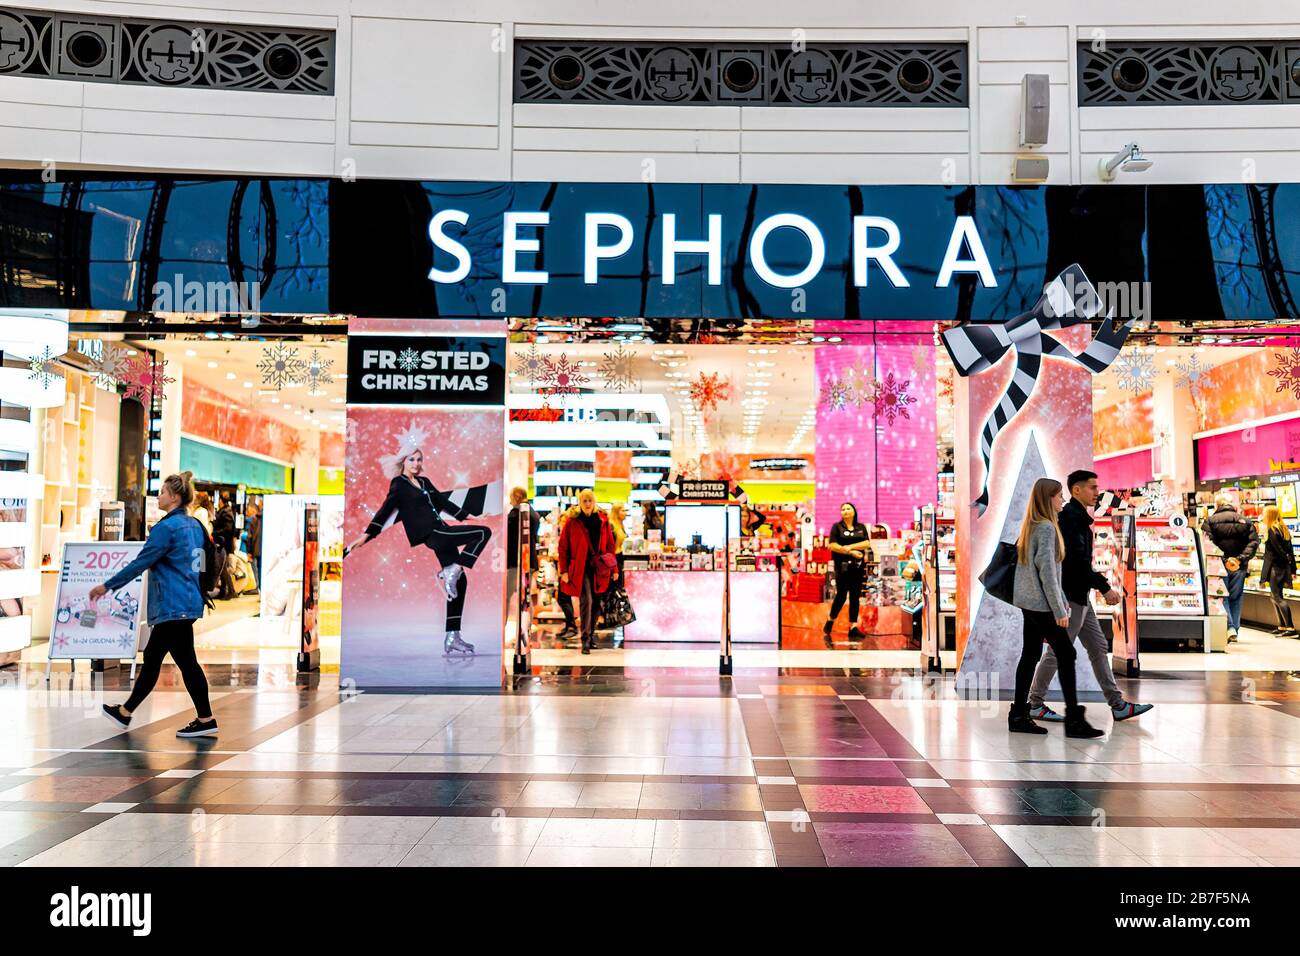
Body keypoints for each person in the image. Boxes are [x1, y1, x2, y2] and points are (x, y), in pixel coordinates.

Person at [344, 426, 496, 656]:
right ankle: (452, 571)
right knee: (482, 533)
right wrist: (367, 535)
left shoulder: (424, 482)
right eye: (412, 459)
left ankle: (452, 636)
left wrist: (470, 516)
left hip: (441, 530)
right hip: (431, 535)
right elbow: (385, 511)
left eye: (419, 459)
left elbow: (444, 503)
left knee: (460, 583)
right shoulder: (399, 484)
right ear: (404, 461)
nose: (416, 463)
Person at [95, 471, 218, 739]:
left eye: (162, 492)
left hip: (172, 605)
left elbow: (142, 562)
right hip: (189, 601)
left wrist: (107, 585)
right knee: (160, 658)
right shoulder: (196, 526)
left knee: (179, 662)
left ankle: (205, 718)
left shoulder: (166, 529)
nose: (158, 496)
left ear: (174, 497)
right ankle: (126, 712)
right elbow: (203, 564)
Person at [1028, 470, 1153, 723]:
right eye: (1092, 488)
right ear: (1077, 490)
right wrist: (1104, 586)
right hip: (1072, 597)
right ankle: (1034, 703)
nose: (1098, 493)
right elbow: (1075, 564)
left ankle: (1117, 704)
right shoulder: (1071, 520)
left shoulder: (1077, 518)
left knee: (1097, 646)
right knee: (1058, 651)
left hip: (1079, 597)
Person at [1009, 477, 1103, 738]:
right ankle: (1073, 721)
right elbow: (1049, 575)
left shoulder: (1031, 526)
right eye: (1059, 495)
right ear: (1047, 498)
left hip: (1029, 603)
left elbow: (1045, 573)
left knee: (1030, 655)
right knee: (1066, 653)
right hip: (1041, 606)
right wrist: (1060, 609)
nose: (1062, 500)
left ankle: (1018, 713)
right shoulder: (1047, 529)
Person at [557, 490, 617, 654]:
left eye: (590, 500)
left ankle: (590, 636)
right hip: (580, 568)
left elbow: (611, 546)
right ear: (580, 502)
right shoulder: (572, 521)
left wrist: (614, 569)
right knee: (587, 600)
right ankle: (585, 639)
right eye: (584, 500)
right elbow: (563, 547)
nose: (587, 503)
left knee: (597, 603)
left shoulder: (602, 520)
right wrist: (563, 570)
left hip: (599, 568)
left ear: (594, 501)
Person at [1203, 496, 1259, 643]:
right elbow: (1253, 543)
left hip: (1217, 566)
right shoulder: (1246, 522)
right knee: (1236, 596)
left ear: (1217, 505)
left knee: (1221, 595)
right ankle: (1235, 629)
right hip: (1239, 566)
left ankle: (1229, 627)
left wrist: (1223, 560)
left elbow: (1207, 543)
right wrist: (1240, 559)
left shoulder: (1210, 521)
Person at [825, 502, 870, 647]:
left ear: (854, 511)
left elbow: (867, 543)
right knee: (842, 595)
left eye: (848, 508)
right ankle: (831, 620)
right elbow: (832, 545)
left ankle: (853, 627)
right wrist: (850, 552)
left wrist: (850, 546)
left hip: (857, 568)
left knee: (855, 596)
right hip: (841, 567)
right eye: (843, 509)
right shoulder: (837, 527)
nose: (845, 511)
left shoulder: (861, 527)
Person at [1259, 505, 1297, 636]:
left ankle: (1290, 627)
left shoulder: (1272, 530)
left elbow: (1275, 553)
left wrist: (1263, 576)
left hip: (1276, 568)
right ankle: (1282, 626)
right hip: (1282, 568)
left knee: (1277, 597)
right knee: (1275, 597)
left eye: (1264, 514)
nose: (1263, 516)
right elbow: (1289, 551)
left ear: (1269, 515)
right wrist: (1293, 569)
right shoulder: (1283, 529)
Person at [506, 487, 540, 616]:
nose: (510, 501)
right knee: (525, 595)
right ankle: (527, 627)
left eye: (511, 497)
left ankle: (503, 624)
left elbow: (509, 537)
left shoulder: (516, 514)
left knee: (508, 594)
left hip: (517, 561)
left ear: (518, 496)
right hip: (529, 560)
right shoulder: (534, 514)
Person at [244, 501, 262, 594]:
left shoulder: (254, 519)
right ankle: (259, 588)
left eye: (249, 510)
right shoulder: (267, 518)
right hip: (264, 549)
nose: (247, 512)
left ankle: (257, 587)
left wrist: (249, 551)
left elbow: (249, 536)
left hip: (256, 549)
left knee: (256, 568)